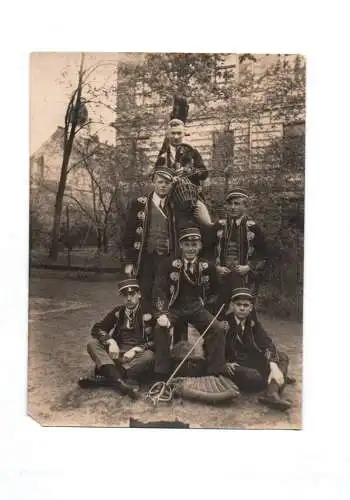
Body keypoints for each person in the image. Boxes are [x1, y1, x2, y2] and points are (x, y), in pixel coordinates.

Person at [152, 227, 227, 379]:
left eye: (194, 245)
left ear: (199, 246)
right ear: (181, 245)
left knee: (217, 329)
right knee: (160, 328)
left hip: (196, 309)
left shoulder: (208, 267)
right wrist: (162, 313)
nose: (190, 249)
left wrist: (209, 307)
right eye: (187, 245)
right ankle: (162, 373)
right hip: (174, 308)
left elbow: (218, 290)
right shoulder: (168, 265)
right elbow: (159, 290)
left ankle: (214, 372)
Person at [79, 279, 155, 400]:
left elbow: (156, 341)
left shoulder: (149, 313)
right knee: (92, 345)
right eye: (125, 296)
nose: (129, 299)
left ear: (139, 294)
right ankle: (121, 383)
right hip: (116, 355)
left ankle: (110, 378)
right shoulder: (118, 312)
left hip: (135, 359)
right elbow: (97, 328)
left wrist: (137, 349)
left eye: (132, 294)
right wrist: (110, 341)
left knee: (150, 356)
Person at [222, 287, 293, 411]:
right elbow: (209, 347)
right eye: (238, 304)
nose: (242, 308)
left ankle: (271, 393)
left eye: (246, 305)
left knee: (282, 357)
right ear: (232, 306)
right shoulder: (223, 324)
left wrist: (273, 365)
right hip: (233, 365)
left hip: (251, 360)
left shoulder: (253, 323)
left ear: (250, 308)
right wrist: (223, 363)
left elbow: (267, 343)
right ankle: (277, 382)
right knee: (253, 377)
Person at [122, 165, 180, 315]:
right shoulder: (140, 204)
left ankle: (161, 330)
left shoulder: (175, 206)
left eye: (167, 183)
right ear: (154, 182)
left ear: (171, 185)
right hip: (144, 257)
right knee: (144, 292)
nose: (163, 186)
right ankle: (144, 331)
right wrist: (129, 262)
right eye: (160, 182)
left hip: (166, 259)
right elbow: (129, 234)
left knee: (163, 294)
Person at [213, 188, 269, 308]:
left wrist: (248, 267)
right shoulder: (219, 226)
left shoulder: (253, 228)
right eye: (230, 204)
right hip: (221, 277)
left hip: (244, 278)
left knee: (244, 311)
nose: (233, 207)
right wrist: (216, 267)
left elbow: (263, 254)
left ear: (245, 206)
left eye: (237, 204)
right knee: (218, 311)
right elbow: (206, 250)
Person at [155, 118, 212, 227]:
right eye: (173, 133)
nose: (176, 137)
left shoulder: (192, 152)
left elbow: (204, 173)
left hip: (191, 198)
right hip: (168, 199)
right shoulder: (162, 156)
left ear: (184, 133)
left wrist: (188, 171)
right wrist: (169, 179)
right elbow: (156, 178)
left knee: (207, 225)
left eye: (179, 133)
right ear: (167, 134)